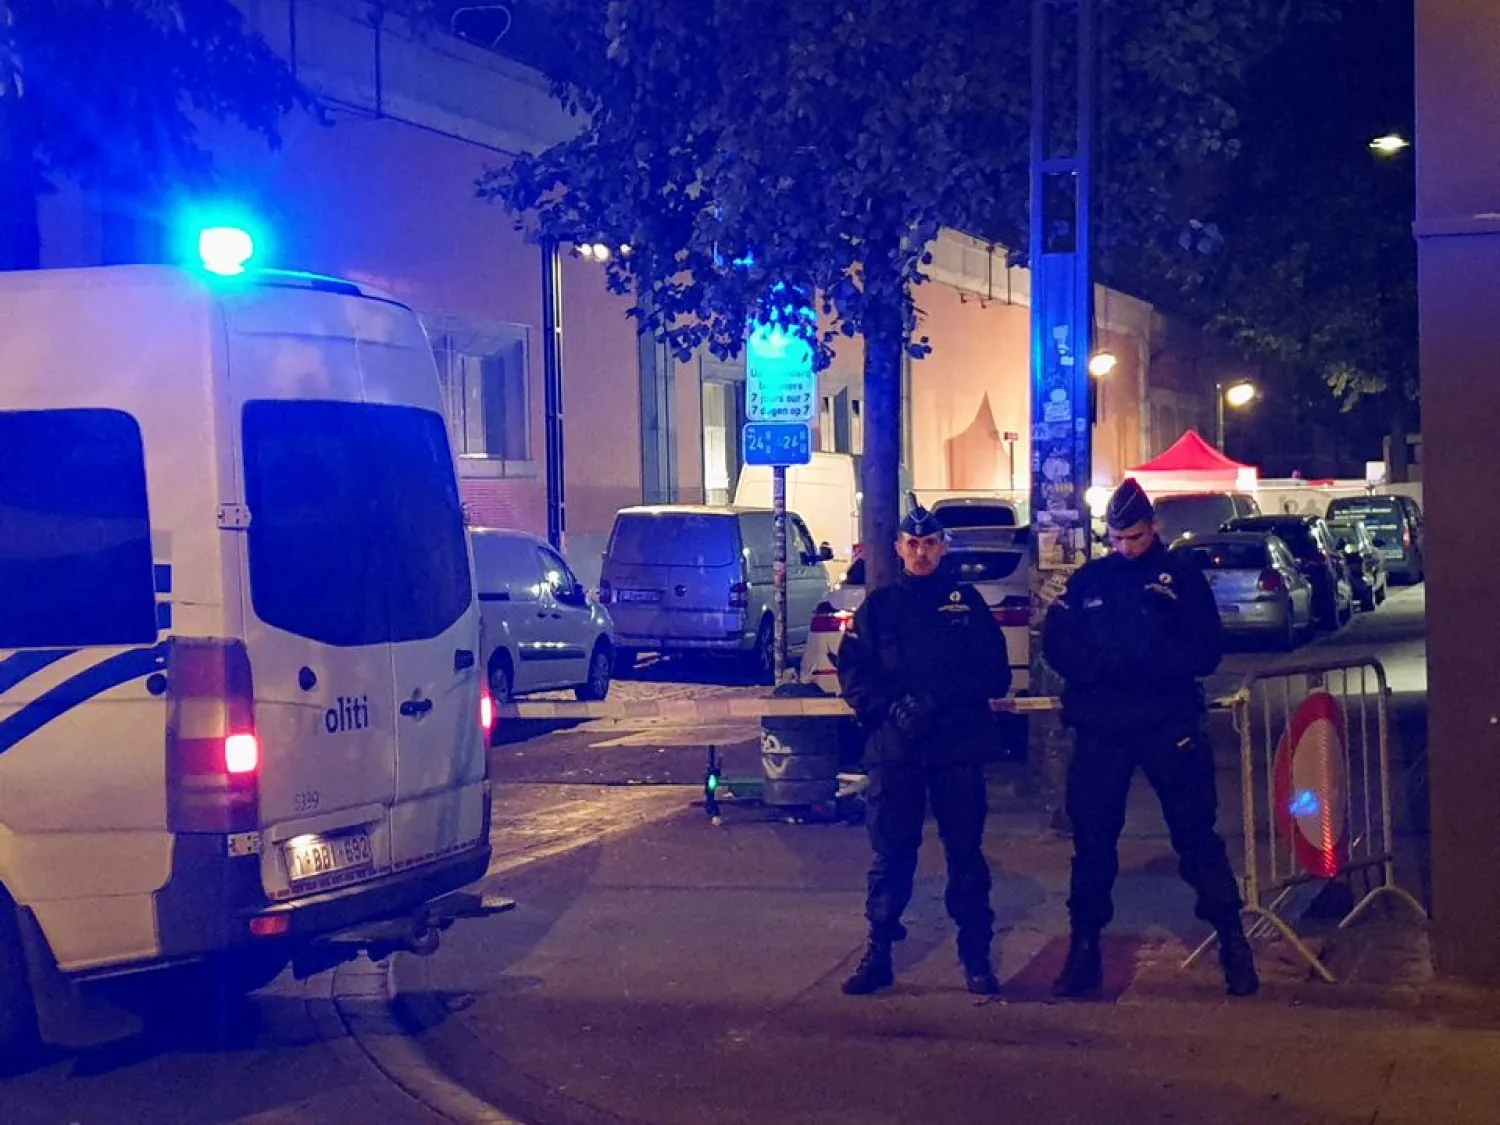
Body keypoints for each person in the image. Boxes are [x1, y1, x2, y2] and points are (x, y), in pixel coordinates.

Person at [1043, 479, 1258, 998]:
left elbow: (1205, 650)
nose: (1125, 547)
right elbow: (1059, 642)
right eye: (1117, 538)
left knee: (1196, 837)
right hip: (1103, 730)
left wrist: (1142, 668)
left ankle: (1233, 944)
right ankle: (1085, 951)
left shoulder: (1182, 578)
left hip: (1166, 725)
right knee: (1092, 844)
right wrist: (1099, 669)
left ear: (1152, 529)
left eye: (1134, 537)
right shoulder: (1091, 580)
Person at [836, 497, 1012, 996]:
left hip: (955, 747)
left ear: (943, 547)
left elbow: (994, 672)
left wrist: (938, 701)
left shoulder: (967, 604)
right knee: (891, 856)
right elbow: (853, 671)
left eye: (929, 544)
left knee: (965, 857)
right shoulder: (879, 609)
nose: (920, 553)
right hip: (896, 752)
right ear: (897, 549)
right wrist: (891, 707)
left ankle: (976, 956)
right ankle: (880, 952)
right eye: (912, 544)